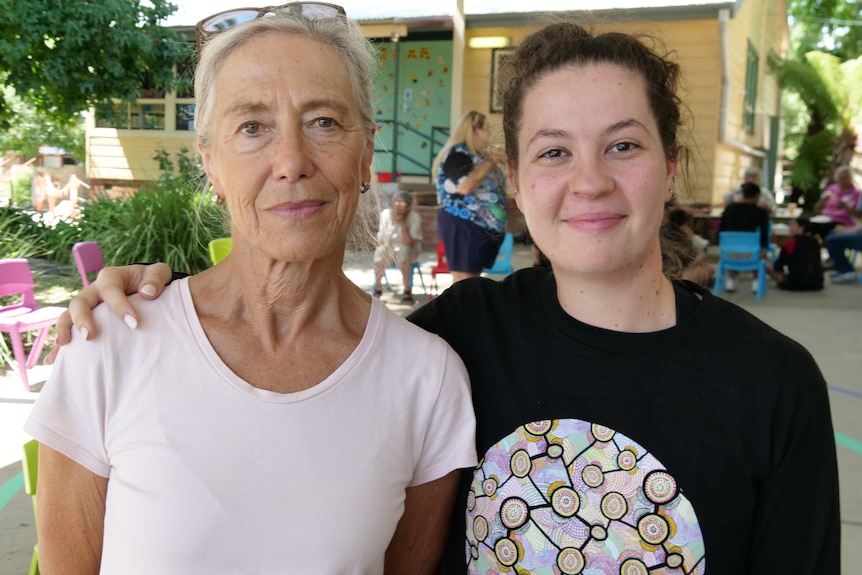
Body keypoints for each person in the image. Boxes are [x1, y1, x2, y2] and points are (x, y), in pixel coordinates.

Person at [52, 20, 841, 575]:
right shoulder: (462, 336)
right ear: (517, 180)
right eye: (554, 150)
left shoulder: (772, 383)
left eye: (624, 145)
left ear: (672, 167)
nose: (590, 180)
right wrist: (137, 291)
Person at [25, 5, 476, 574]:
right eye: (252, 127)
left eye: (324, 122)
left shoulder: (427, 379)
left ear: (366, 154)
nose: (291, 161)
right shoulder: (112, 342)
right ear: (211, 164)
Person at [432, 110, 508, 283]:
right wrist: (489, 164)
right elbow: (464, 186)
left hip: (480, 227)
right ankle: (460, 311)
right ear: (474, 130)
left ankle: (467, 310)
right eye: (486, 129)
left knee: (472, 281)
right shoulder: (458, 154)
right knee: (464, 282)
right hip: (464, 224)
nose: (489, 134)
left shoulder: (478, 156)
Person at [718, 181, 770, 292]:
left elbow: (721, 229)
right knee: (757, 248)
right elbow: (764, 236)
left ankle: (731, 279)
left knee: (734, 245)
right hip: (752, 256)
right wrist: (762, 250)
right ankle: (756, 279)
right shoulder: (760, 212)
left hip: (729, 254)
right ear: (757, 196)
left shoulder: (730, 208)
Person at [373, 190, 422, 302]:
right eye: (396, 202)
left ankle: (406, 289)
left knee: (403, 251)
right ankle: (378, 288)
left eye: (402, 203)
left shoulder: (415, 217)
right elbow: (380, 236)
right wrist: (381, 239)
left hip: (410, 249)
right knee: (379, 252)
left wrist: (402, 223)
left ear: (408, 206)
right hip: (389, 246)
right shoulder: (386, 214)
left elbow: (410, 243)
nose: (398, 206)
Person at [764, 216, 824, 290]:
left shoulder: (790, 243)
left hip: (795, 283)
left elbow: (778, 266)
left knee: (764, 264)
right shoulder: (814, 242)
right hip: (817, 283)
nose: (789, 227)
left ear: (801, 228)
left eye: (793, 224)